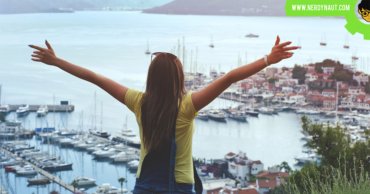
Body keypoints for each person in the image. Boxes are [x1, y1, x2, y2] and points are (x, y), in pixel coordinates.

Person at [29, 36, 298, 194]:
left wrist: (57, 61)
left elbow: (94, 77)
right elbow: (229, 78)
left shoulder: (138, 101)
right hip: (179, 187)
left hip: (144, 185)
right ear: (178, 77)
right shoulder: (187, 106)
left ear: (152, 78)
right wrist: (267, 59)